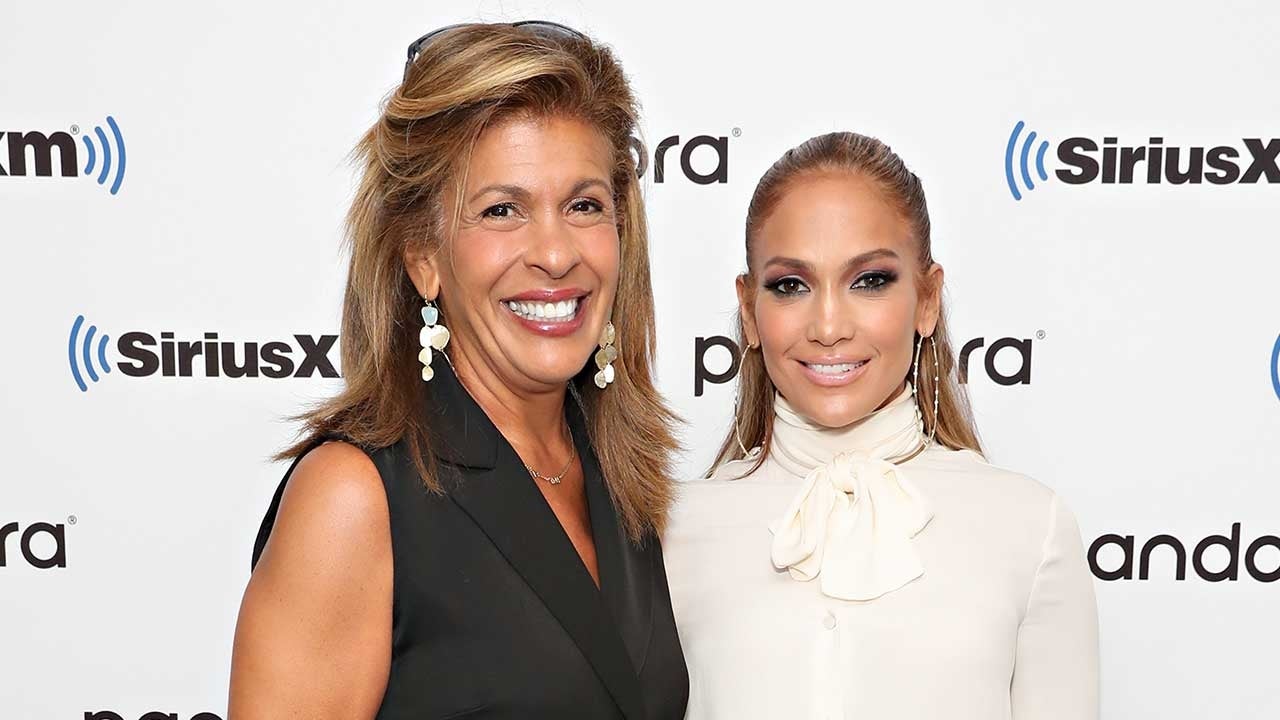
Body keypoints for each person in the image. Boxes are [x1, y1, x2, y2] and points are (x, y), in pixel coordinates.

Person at [229, 21, 688, 719]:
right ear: (423, 256)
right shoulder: (353, 497)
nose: (556, 253)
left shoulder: (619, 472)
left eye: (584, 205)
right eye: (502, 210)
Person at [663, 131, 1098, 719]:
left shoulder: (1031, 526)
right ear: (749, 309)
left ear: (928, 298)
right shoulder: (670, 532)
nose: (828, 326)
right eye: (791, 286)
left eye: (869, 281)